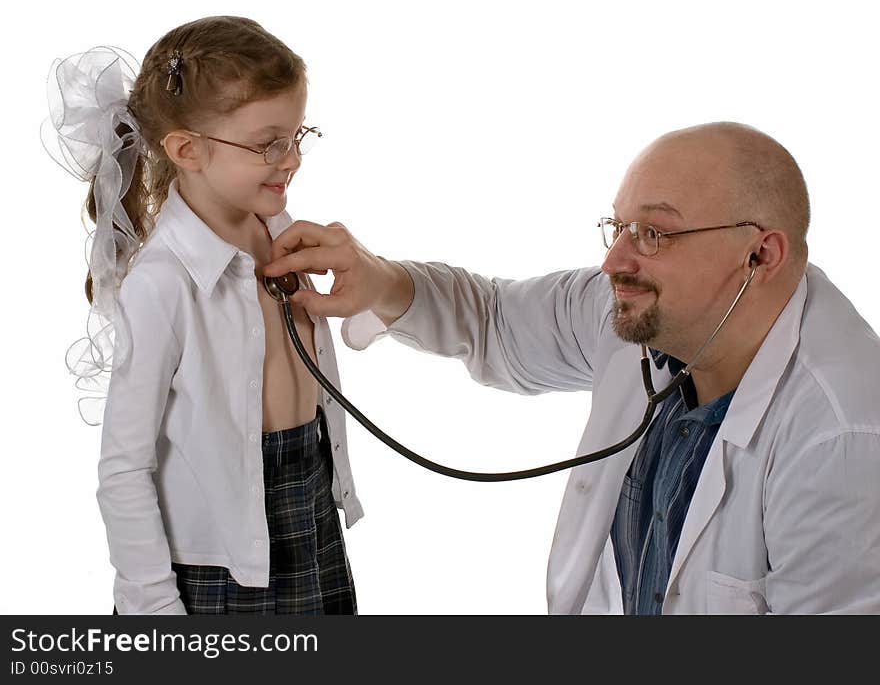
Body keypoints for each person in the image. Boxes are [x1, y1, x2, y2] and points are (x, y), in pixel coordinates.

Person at [262, 122, 880, 614]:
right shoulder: (649, 316)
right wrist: (378, 280)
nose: (614, 261)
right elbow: (495, 319)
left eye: (653, 233)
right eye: (618, 227)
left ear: (759, 254)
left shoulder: (841, 439)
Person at [45, 16, 360, 615]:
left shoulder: (285, 237)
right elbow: (123, 469)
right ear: (187, 150)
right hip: (220, 564)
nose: (290, 159)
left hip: (307, 515)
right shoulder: (163, 284)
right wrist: (155, 608)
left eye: (297, 135)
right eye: (269, 143)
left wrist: (361, 292)